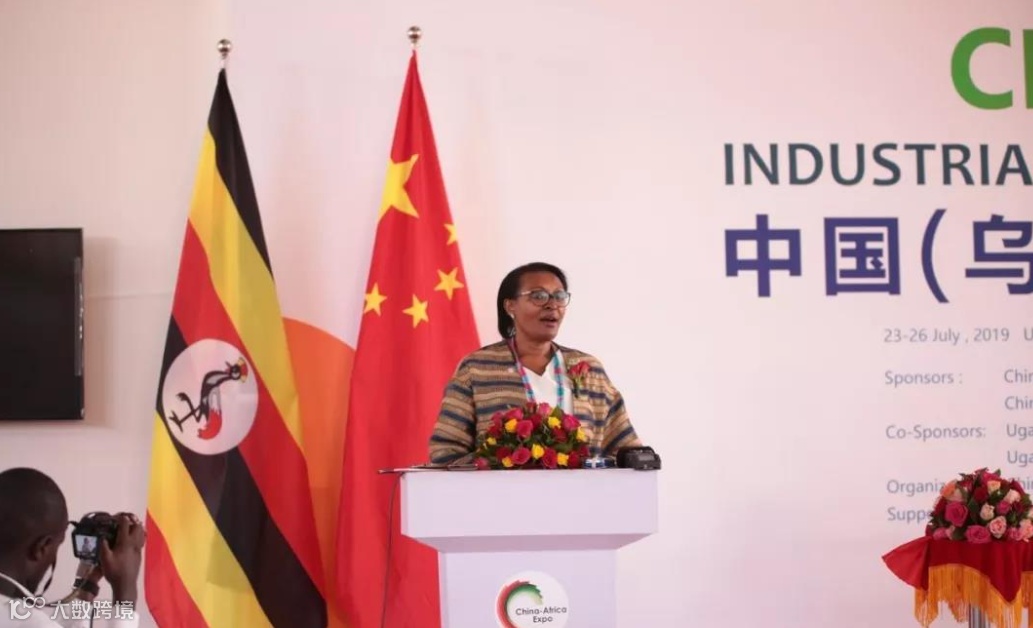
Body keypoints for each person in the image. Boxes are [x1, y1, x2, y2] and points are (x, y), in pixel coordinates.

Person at [429, 262, 643, 464]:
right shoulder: (476, 368)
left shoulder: (589, 369)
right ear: (510, 306)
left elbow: (625, 449)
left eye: (559, 296)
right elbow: (446, 452)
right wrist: (497, 466)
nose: (552, 305)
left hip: (581, 491)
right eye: (538, 296)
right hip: (501, 491)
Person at [0, 468, 145, 628]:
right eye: (58, 544)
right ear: (42, 547)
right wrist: (125, 591)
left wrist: (85, 584)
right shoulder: (30, 623)